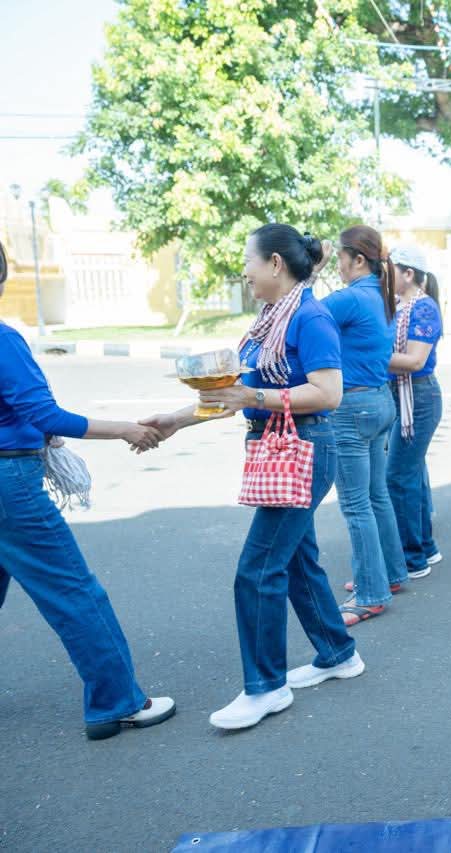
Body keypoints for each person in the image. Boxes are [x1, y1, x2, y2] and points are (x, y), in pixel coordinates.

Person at [143, 224, 363, 731]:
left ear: (275, 264)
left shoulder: (310, 318)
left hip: (302, 449)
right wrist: (175, 420)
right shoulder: (269, 322)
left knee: (258, 570)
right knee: (297, 561)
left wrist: (256, 398)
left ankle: (266, 688)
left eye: (248, 261)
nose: (244, 272)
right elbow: (234, 393)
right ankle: (338, 653)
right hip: (282, 446)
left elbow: (328, 393)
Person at [0, 251, 175, 741]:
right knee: (74, 590)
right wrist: (125, 429)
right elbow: (45, 415)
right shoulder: (5, 340)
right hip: (10, 485)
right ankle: (117, 703)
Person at [324, 225, 407, 626]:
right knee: (376, 497)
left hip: (352, 408)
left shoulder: (351, 298)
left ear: (358, 259)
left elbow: (299, 317)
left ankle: (370, 594)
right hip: (378, 401)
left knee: (357, 504)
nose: (337, 266)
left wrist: (310, 271)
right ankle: (389, 574)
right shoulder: (380, 295)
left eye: (339, 258)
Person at [386, 245, 445, 578]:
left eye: (390, 271)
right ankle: (425, 547)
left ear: (408, 274)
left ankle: (412, 559)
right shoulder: (400, 306)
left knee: (397, 476)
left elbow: (415, 361)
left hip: (419, 397)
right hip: (405, 396)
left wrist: (368, 356)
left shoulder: (423, 308)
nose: (385, 277)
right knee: (412, 473)